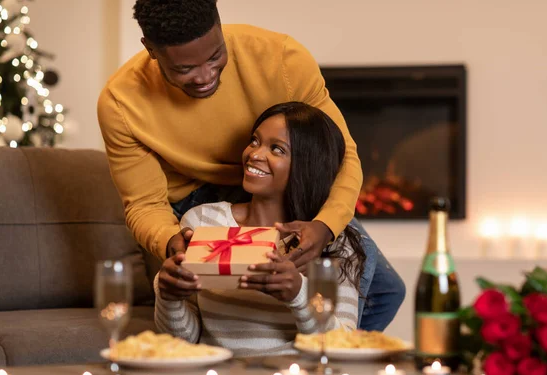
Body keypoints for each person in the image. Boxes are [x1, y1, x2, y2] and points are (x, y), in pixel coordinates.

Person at [97, 0, 405, 331]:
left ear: (218, 23)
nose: (204, 76)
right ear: (151, 50)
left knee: (386, 291)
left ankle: (323, 365)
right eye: (184, 69)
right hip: (194, 196)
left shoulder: (282, 59)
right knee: (225, 305)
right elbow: (144, 204)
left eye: (215, 57)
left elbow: (339, 154)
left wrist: (325, 226)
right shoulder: (120, 103)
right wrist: (170, 239)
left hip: (286, 180)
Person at [155, 102, 364, 355]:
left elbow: (342, 344)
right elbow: (183, 341)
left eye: (277, 149)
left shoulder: (332, 242)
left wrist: (298, 295)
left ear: (307, 165)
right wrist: (168, 296)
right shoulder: (202, 222)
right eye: (255, 141)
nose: (254, 154)